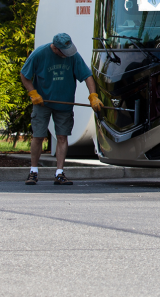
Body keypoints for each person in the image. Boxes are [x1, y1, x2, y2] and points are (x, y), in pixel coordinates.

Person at [20, 33, 102, 186]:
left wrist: (93, 95)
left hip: (64, 104)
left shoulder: (73, 56)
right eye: (65, 52)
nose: (68, 54)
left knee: (62, 137)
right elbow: (24, 75)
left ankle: (59, 173)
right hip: (42, 103)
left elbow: (87, 76)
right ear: (56, 49)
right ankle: (33, 171)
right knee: (38, 136)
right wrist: (33, 93)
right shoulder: (39, 54)